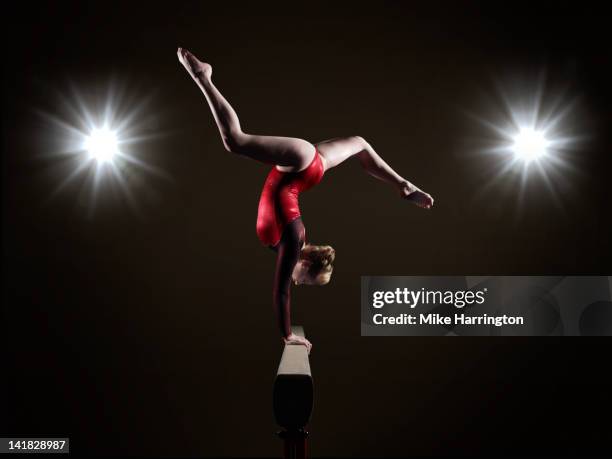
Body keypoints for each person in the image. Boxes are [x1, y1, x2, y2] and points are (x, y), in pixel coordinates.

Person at [177, 48, 434, 353]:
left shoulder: (294, 242)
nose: (299, 282)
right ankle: (203, 76)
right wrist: (288, 336)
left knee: (361, 146)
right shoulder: (293, 242)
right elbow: (281, 293)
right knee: (235, 141)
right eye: (306, 279)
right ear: (306, 263)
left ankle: (402, 185)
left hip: (312, 168)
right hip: (301, 164)